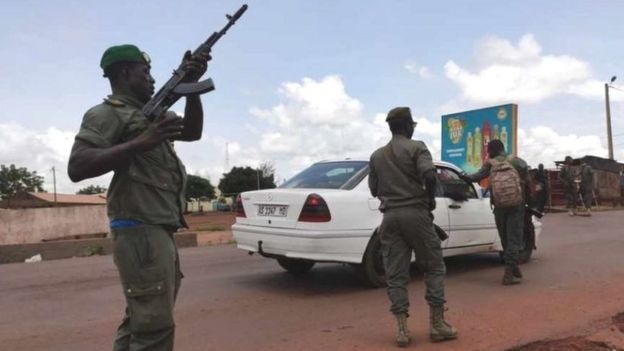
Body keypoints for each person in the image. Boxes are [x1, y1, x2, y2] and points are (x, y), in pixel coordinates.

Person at [68, 44, 210, 351]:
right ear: (124, 73)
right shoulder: (106, 114)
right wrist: (143, 141)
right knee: (154, 328)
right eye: (145, 72)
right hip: (139, 230)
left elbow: (193, 132)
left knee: (142, 319)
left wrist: (192, 89)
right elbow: (77, 166)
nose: (151, 79)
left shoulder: (151, 115)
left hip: (157, 228)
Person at [368, 107, 457, 348]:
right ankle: (438, 325)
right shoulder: (417, 147)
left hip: (390, 218)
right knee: (434, 267)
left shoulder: (377, 156)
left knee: (395, 274)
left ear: (390, 127)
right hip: (416, 215)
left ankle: (402, 330)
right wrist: (428, 198)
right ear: (408, 126)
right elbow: (429, 175)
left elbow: (374, 189)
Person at [459, 140, 529, 285]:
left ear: (491, 151)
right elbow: (527, 182)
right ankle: (509, 274)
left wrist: (462, 176)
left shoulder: (489, 164)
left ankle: (513, 270)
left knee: (505, 238)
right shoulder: (518, 162)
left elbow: (474, 178)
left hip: (499, 205)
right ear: (503, 148)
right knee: (514, 239)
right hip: (516, 205)